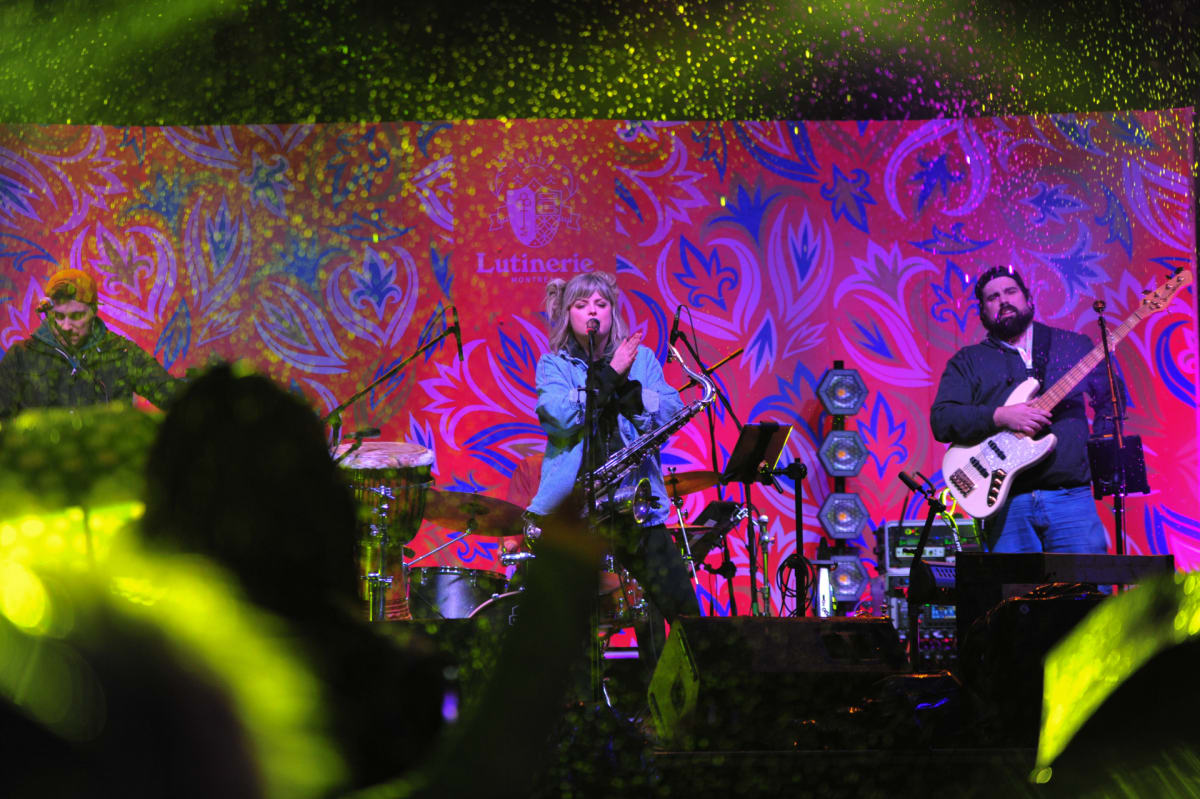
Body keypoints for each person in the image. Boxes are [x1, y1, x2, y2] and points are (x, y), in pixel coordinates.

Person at [526, 271, 700, 661]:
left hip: (635, 507)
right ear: (568, 313)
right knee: (566, 628)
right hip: (576, 512)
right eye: (582, 304)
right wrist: (610, 375)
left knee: (685, 610)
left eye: (601, 304)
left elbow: (671, 411)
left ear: (612, 312)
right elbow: (558, 416)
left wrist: (631, 393)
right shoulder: (553, 365)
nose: (592, 312)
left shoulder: (643, 360)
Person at [930, 264, 1122, 554]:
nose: (1003, 300)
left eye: (1011, 291)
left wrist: (1096, 449)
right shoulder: (969, 361)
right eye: (992, 297)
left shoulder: (1072, 345)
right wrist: (1001, 416)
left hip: (1071, 496)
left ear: (1028, 299)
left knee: (1087, 593)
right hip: (1007, 503)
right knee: (1014, 596)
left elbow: (1112, 398)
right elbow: (942, 419)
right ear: (982, 312)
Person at [0, 268, 181, 419]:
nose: (66, 326)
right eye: (59, 316)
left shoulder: (121, 353)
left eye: (77, 316)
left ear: (94, 311)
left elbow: (174, 397)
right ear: (48, 314)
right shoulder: (20, 358)